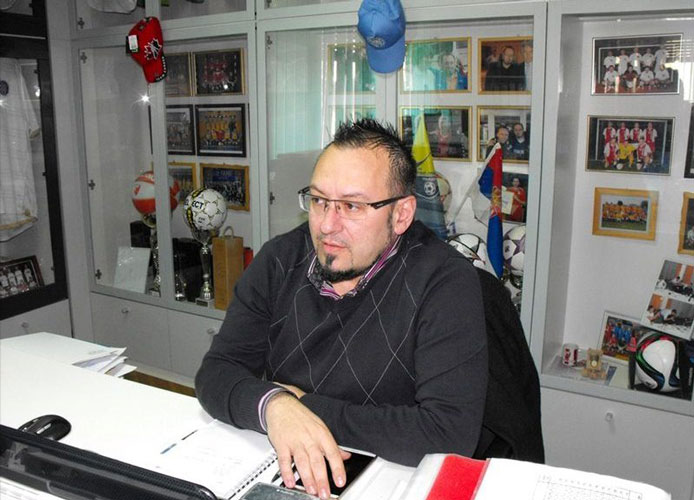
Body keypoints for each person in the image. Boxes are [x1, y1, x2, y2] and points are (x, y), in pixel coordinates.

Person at [195, 119, 487, 499]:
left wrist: (303, 407)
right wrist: (274, 406)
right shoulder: (280, 260)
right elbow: (216, 372)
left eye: (351, 206)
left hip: (387, 483)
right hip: (284, 471)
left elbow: (447, 434)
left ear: (401, 214)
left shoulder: (444, 283)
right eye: (319, 201)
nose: (326, 226)